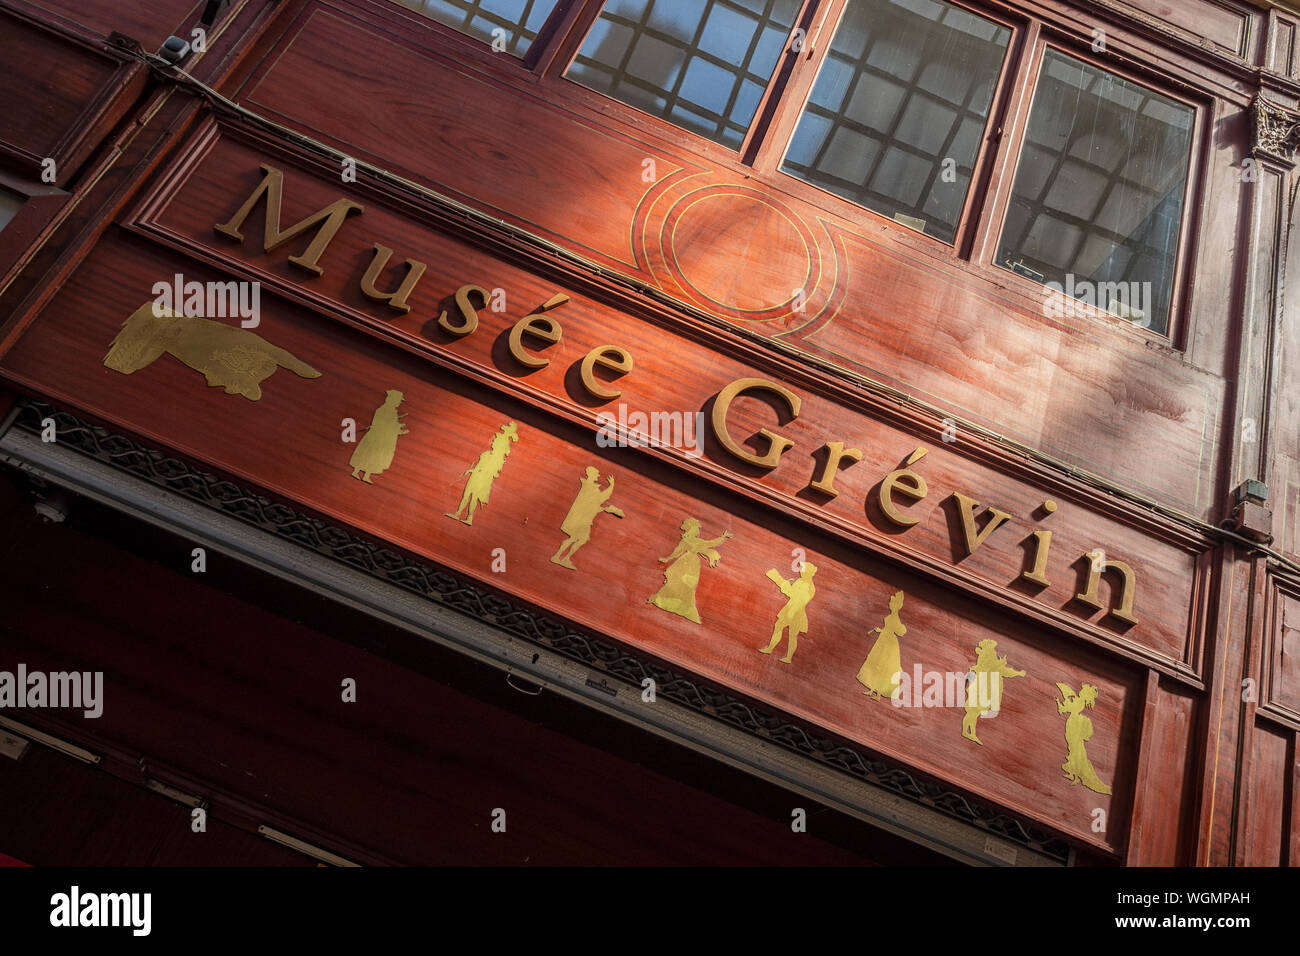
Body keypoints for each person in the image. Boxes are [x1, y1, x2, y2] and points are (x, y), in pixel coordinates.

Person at [648, 519, 731, 624]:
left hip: (692, 565)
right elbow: (677, 552)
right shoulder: (685, 541)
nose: (696, 530)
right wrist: (667, 558)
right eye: (695, 528)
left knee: (688, 586)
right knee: (676, 581)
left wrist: (723, 537)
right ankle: (665, 600)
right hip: (683, 564)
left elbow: (710, 543)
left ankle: (685, 607)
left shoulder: (698, 541)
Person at [447, 421, 518, 525]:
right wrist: (472, 470)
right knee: (466, 494)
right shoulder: (486, 454)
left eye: (496, 441)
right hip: (475, 476)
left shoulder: (497, 460)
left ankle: (469, 518)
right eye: (494, 440)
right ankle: (457, 513)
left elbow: (493, 472)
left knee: (474, 497)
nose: (493, 442)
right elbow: (479, 467)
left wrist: (481, 472)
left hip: (481, 479)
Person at [551, 467, 624, 570]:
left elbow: (591, 505)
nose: (598, 476)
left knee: (578, 539)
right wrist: (611, 486)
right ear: (591, 474)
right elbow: (600, 499)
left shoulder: (590, 487)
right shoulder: (589, 486)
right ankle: (559, 557)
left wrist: (605, 509)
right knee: (577, 538)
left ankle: (563, 558)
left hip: (583, 519)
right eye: (597, 474)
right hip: (580, 520)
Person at [960, 639, 1024, 744]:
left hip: (986, 687)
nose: (993, 648)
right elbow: (988, 668)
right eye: (991, 645)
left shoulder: (991, 655)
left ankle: (970, 733)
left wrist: (1017, 673)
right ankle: (967, 732)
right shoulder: (985, 655)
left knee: (975, 712)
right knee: (972, 711)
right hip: (980, 686)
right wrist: (1001, 664)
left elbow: (1002, 671)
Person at [759, 563, 817, 663]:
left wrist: (783, 583)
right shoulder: (800, 581)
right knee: (778, 627)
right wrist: (785, 584)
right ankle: (770, 649)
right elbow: (792, 592)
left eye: (803, 570)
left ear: (808, 573)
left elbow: (797, 598)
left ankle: (788, 657)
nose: (800, 572)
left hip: (796, 612)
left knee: (792, 635)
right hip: (790, 609)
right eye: (801, 570)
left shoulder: (809, 587)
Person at [350, 390, 408, 483]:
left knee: (375, 458)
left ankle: (366, 475)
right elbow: (386, 425)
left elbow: (391, 424)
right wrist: (398, 428)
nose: (399, 403)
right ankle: (356, 471)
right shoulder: (386, 410)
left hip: (381, 437)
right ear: (392, 399)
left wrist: (399, 427)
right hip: (377, 436)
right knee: (367, 454)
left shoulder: (391, 411)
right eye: (398, 400)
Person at [857, 590, 906, 700]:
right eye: (890, 604)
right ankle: (871, 690)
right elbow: (887, 629)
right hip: (883, 640)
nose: (890, 605)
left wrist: (897, 628)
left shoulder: (895, 617)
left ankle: (878, 694)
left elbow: (900, 631)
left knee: (883, 667)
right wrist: (879, 630)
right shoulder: (891, 615)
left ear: (897, 606)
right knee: (875, 663)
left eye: (893, 604)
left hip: (888, 644)